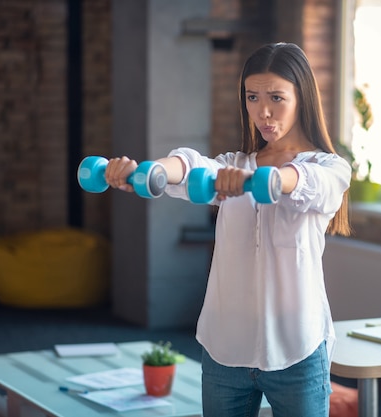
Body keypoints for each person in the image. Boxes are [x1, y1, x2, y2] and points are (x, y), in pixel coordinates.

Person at [105, 42, 351, 417]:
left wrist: (254, 179)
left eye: (276, 97)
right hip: (226, 350)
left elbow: (302, 182)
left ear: (302, 97)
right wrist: (143, 171)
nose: (263, 111)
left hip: (296, 349)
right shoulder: (232, 165)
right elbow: (190, 167)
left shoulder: (330, 167)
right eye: (252, 97)